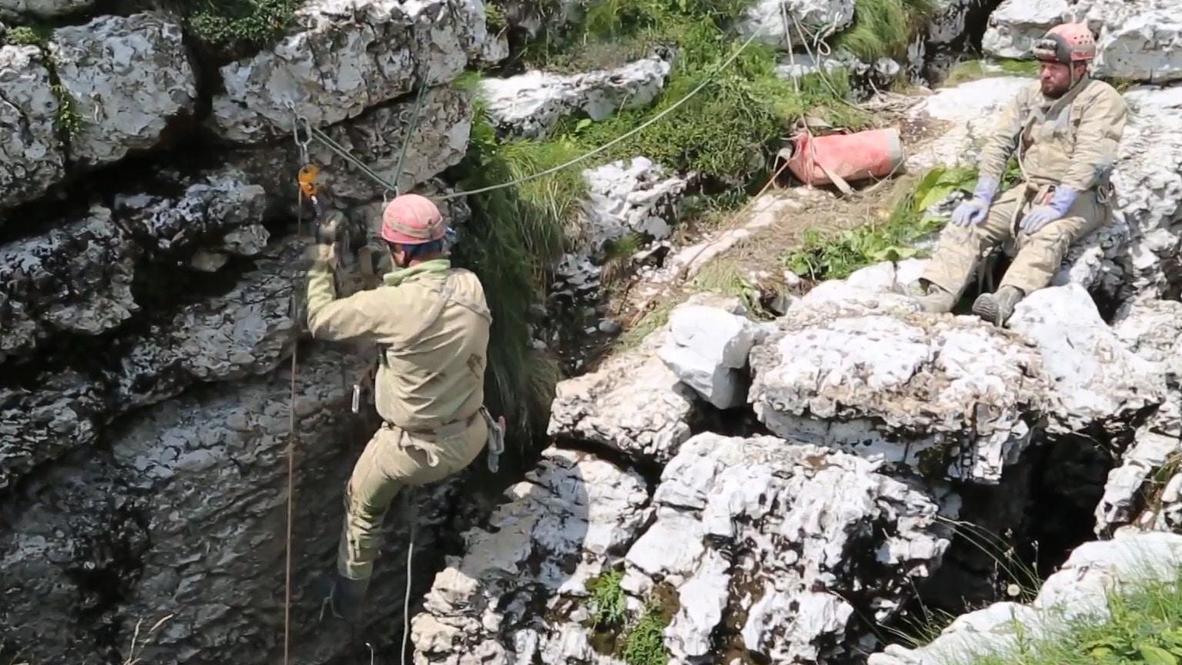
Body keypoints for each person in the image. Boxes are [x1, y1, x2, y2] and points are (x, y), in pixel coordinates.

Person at [305, 193, 494, 620]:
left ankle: (346, 601)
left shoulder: (392, 307)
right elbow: (412, 302)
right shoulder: (470, 284)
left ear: (401, 251)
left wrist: (323, 257)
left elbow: (321, 319)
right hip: (473, 435)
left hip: (413, 452)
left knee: (362, 505)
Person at [908, 22, 1128, 325]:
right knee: (969, 222)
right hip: (1030, 188)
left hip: (1083, 197)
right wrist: (982, 197)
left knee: (1047, 235)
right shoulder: (1030, 96)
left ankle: (1005, 299)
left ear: (1079, 68)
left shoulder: (1101, 98)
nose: (1045, 74)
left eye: (1055, 67)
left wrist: (1058, 205)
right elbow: (999, 143)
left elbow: (1091, 158)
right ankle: (939, 296)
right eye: (1042, 66)